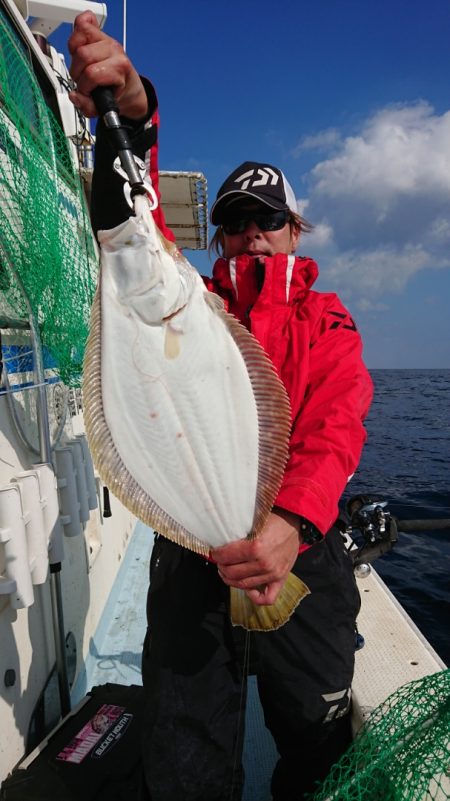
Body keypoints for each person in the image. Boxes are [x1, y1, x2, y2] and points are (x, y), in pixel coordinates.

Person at [68, 13, 374, 801]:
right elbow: (136, 230)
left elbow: (338, 421)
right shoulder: (193, 301)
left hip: (299, 552)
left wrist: (291, 524)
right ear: (216, 242)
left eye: (267, 220)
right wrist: (134, 117)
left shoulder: (327, 317)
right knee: (187, 758)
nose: (250, 235)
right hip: (197, 567)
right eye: (234, 223)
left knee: (317, 749)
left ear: (294, 230)